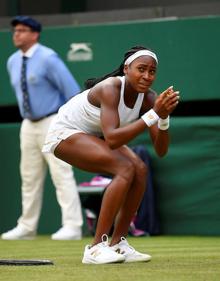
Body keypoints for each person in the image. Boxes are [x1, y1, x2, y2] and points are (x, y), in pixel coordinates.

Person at [42, 45, 180, 263]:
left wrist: (163, 118)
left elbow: (161, 150)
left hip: (96, 136)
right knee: (124, 168)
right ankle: (95, 247)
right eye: (141, 69)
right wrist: (153, 114)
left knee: (140, 170)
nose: (146, 76)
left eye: (152, 71)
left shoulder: (150, 98)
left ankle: (118, 244)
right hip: (65, 134)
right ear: (126, 68)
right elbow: (114, 138)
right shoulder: (110, 88)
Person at [1, 16, 83, 240]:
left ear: (35, 34)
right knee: (29, 177)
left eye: (23, 30)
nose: (17, 34)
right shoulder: (12, 61)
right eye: (15, 30)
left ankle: (73, 226)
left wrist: (70, 124)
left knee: (61, 173)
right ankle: (27, 227)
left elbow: (72, 91)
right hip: (27, 124)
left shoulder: (49, 58)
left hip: (52, 121)